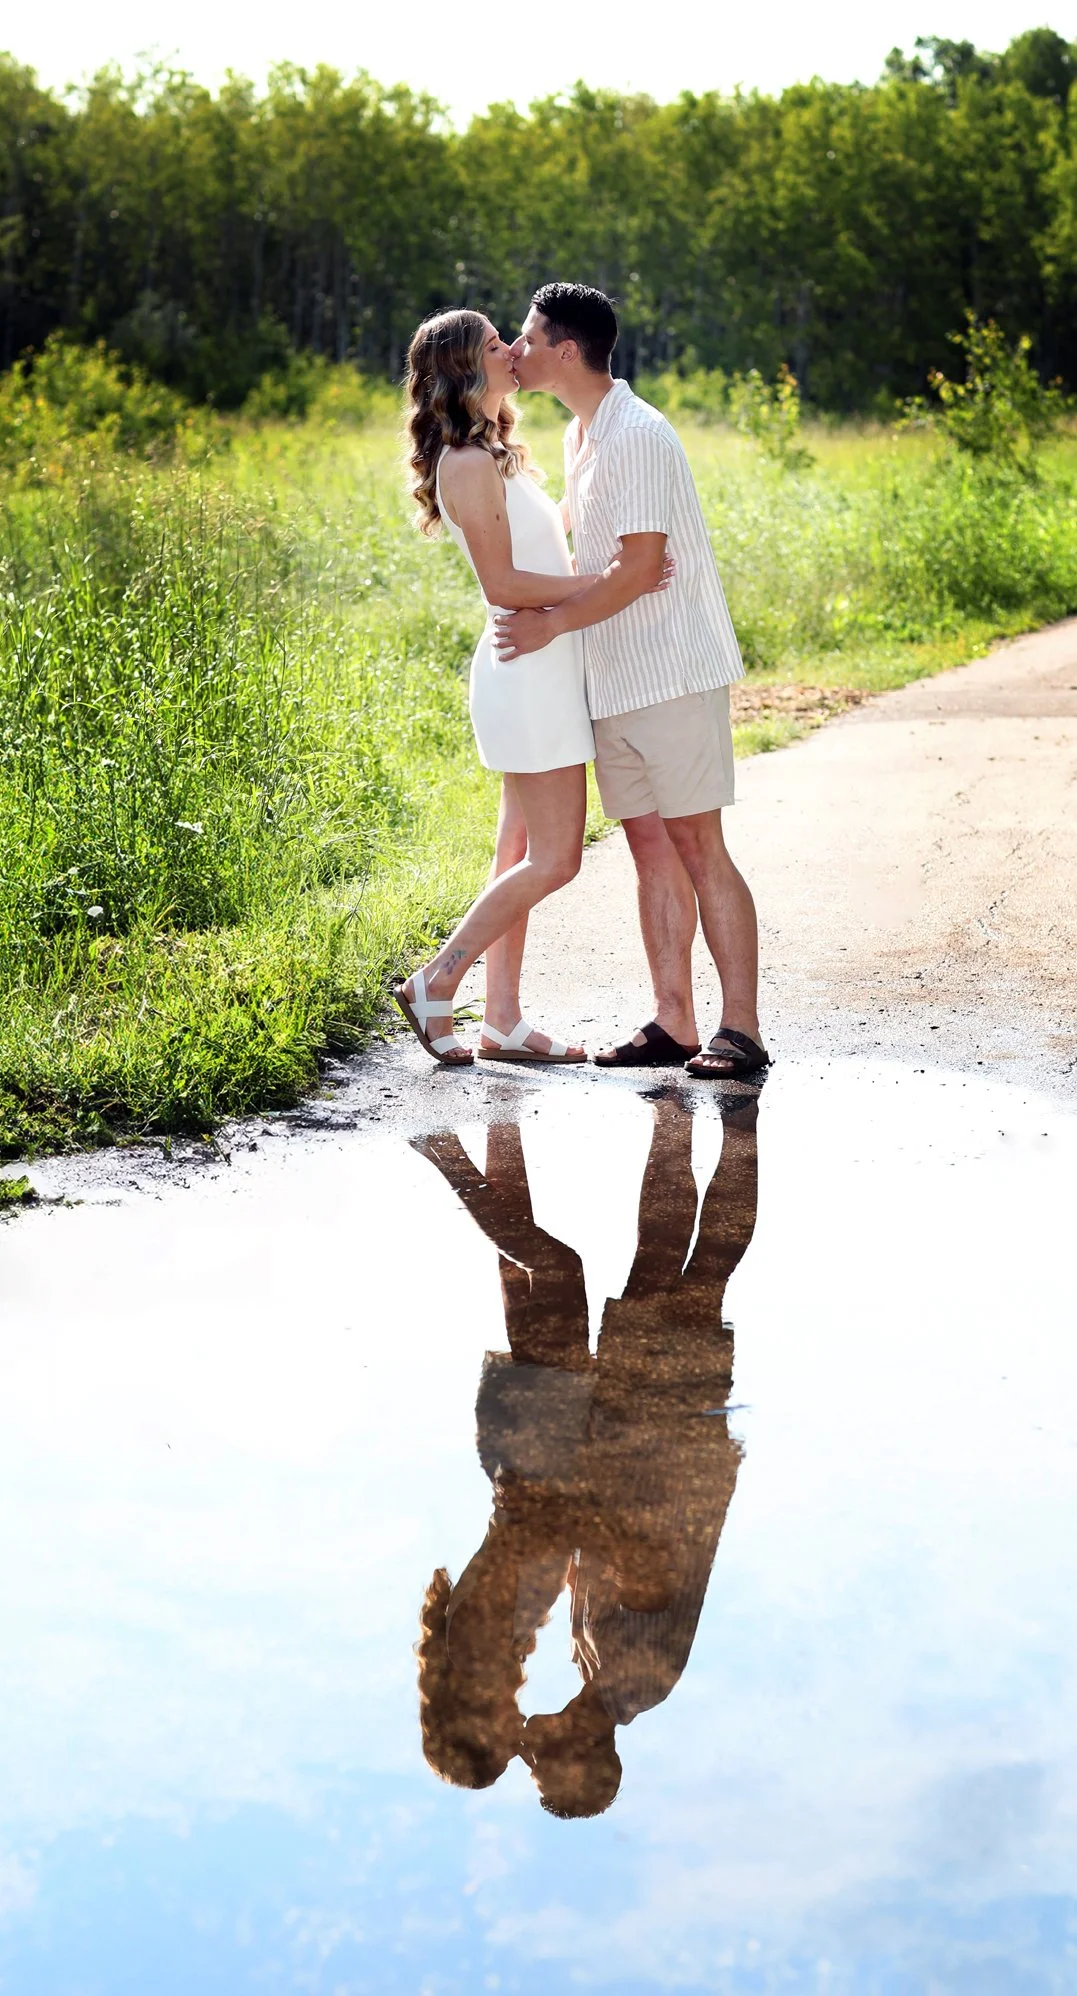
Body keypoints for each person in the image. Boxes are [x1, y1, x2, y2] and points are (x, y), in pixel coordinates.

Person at [411, 1089, 760, 1817]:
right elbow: (642, 1561)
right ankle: (720, 1116)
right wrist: (585, 1515)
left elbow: (564, 1540)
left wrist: (577, 1508)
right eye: (539, 1763)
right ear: (582, 1755)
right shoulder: (624, 1677)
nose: (528, 1748)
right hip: (661, 1440)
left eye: (517, 1755)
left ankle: (478, 1133)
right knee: (686, 1268)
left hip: (575, 1443)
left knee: (564, 1270)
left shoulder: (547, 1662)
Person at [499, 283, 770, 1081]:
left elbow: (644, 566)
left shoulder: (638, 434)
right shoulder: (582, 435)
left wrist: (552, 621)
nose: (515, 351)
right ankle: (673, 1022)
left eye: (526, 338)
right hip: (611, 674)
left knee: (696, 845)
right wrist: (589, 593)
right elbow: (611, 567)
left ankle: (742, 1030)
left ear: (567, 350)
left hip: (671, 671)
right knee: (649, 847)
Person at [394, 308, 673, 1068]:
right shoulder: (466, 462)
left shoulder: (497, 451)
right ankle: (435, 981)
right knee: (556, 859)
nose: (512, 351)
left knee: (517, 847)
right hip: (525, 670)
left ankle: (504, 1022)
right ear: (463, 367)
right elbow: (504, 583)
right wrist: (609, 580)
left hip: (546, 664)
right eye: (494, 344)